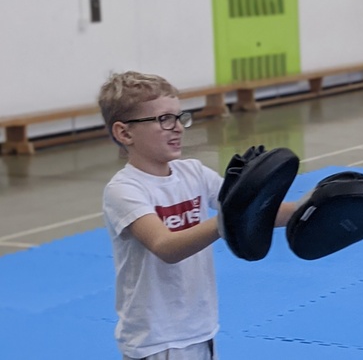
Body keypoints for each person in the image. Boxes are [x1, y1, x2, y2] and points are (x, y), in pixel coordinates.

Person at [98, 71, 301, 360]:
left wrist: (311, 205)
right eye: (163, 119)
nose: (178, 127)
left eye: (180, 117)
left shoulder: (192, 172)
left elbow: (258, 210)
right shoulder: (124, 190)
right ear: (124, 133)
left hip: (200, 329)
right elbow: (166, 247)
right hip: (158, 341)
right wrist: (228, 219)